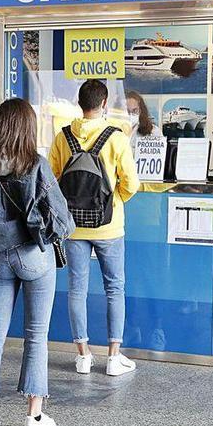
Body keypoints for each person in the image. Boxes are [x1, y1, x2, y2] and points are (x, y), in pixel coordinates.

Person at [0, 98, 75, 426]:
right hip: (32, 257)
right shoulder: (35, 164)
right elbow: (62, 220)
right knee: (36, 335)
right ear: (27, 128)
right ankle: (34, 418)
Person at [48, 79, 141, 377]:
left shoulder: (63, 137)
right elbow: (132, 183)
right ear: (103, 105)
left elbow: (51, 181)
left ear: (79, 103)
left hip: (74, 228)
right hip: (109, 228)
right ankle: (114, 357)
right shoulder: (116, 137)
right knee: (114, 287)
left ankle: (83, 355)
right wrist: (115, 203)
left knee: (77, 289)